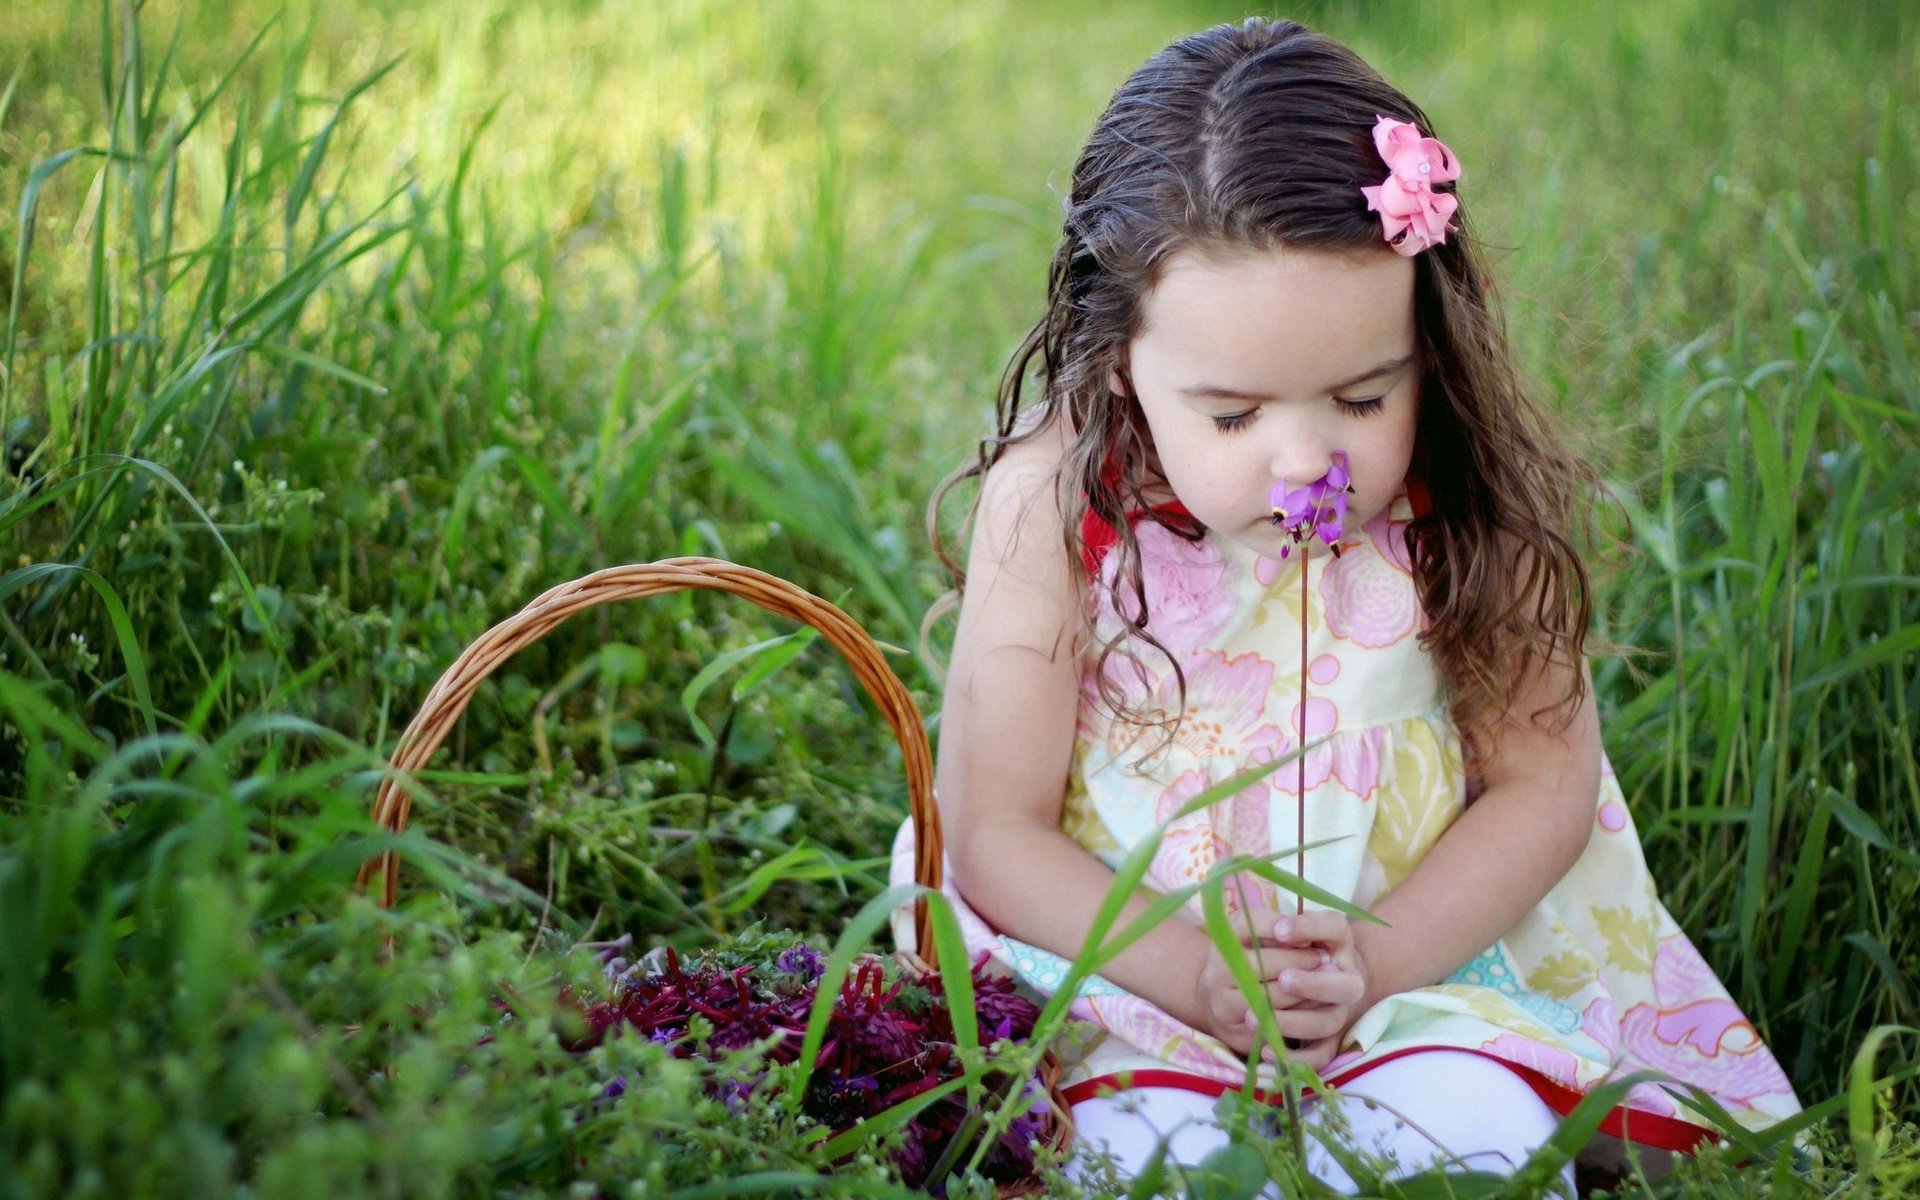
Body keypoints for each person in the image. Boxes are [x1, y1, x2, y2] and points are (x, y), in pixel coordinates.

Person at [889, 16, 1800, 1193]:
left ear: (1428, 345)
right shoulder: (1053, 508)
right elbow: (994, 825)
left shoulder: (1462, 496)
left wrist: (1373, 964)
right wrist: (1198, 980)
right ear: (1118, 359)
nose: (1307, 461)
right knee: (1140, 1164)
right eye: (1232, 415)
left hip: (1429, 971)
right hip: (1131, 978)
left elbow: (1544, 784)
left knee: (1478, 1144)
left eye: (1365, 397)